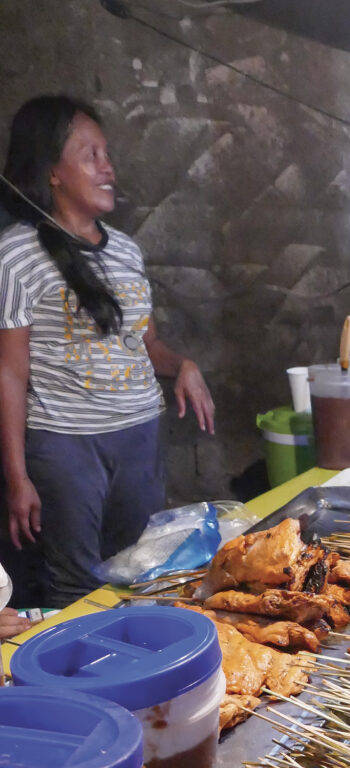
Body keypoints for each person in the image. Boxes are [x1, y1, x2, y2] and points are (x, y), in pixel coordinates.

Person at [0, 95, 215, 608]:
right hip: (68, 448)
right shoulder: (16, 254)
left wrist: (182, 365)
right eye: (90, 154)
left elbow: (147, 343)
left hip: (140, 437)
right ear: (53, 172)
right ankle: (86, 685)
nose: (108, 166)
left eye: (106, 153)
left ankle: (141, 679)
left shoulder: (124, 249)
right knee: (77, 589)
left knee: (142, 573)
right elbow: (9, 373)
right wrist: (17, 477)